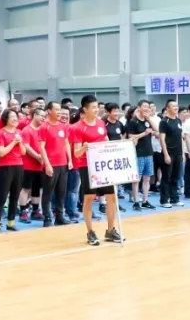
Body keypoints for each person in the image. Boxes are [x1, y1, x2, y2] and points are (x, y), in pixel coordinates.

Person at [71, 95, 122, 246]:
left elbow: (105, 139)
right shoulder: (77, 127)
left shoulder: (100, 123)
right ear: (85, 109)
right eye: (93, 107)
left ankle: (110, 230)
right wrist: (84, 148)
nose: (96, 109)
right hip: (87, 166)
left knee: (111, 196)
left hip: (104, 165)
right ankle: (90, 232)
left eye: (97, 107)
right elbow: (76, 153)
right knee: (89, 197)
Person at [37, 101, 72, 227]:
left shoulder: (63, 126)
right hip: (51, 164)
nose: (59, 112)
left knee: (61, 192)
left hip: (63, 163)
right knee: (48, 192)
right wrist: (47, 164)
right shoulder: (44, 127)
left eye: (60, 110)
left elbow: (66, 143)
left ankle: (59, 216)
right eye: (56, 110)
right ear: (49, 111)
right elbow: (41, 147)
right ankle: (47, 217)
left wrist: (70, 160)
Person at [0, 110, 25, 233]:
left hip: (19, 166)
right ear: (6, 119)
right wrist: (14, 142)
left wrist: (19, 143)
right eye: (12, 117)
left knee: (15, 195)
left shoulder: (19, 132)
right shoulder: (0, 133)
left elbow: (23, 152)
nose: (15, 119)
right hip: (6, 167)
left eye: (16, 117)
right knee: (2, 195)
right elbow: (2, 153)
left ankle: (11, 222)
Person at [125, 101, 156, 210]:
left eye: (148, 107)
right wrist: (144, 134)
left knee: (147, 178)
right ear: (139, 107)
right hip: (138, 153)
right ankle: (136, 202)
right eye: (144, 106)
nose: (147, 108)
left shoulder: (147, 120)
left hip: (149, 152)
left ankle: (145, 201)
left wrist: (149, 118)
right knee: (137, 179)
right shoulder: (133, 121)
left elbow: (157, 130)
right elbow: (130, 137)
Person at [19, 108, 45, 223]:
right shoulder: (26, 130)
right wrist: (38, 157)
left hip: (40, 165)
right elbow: (27, 146)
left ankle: (35, 210)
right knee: (25, 188)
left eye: (44, 116)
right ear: (34, 115)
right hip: (28, 164)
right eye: (41, 116)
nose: (43, 118)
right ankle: (23, 211)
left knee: (37, 188)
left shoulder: (42, 129)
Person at [158, 100, 183, 208]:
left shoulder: (178, 120)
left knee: (175, 176)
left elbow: (180, 137)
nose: (176, 108)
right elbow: (162, 139)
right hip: (169, 153)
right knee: (166, 177)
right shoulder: (164, 121)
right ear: (168, 108)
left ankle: (174, 198)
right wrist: (166, 154)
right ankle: (164, 200)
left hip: (178, 153)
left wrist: (182, 153)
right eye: (173, 106)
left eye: (177, 106)